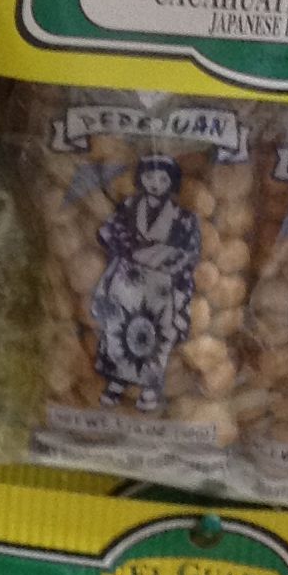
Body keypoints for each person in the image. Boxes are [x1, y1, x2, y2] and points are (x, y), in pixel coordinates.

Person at [90, 154, 200, 412]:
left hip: (161, 285)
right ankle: (116, 381)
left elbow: (190, 253)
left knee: (159, 334)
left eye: (163, 179)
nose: (155, 183)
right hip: (127, 280)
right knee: (117, 328)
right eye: (149, 177)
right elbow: (109, 232)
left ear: (172, 183)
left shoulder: (182, 216)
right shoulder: (128, 205)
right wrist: (130, 250)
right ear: (140, 178)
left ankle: (150, 387)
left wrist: (176, 276)